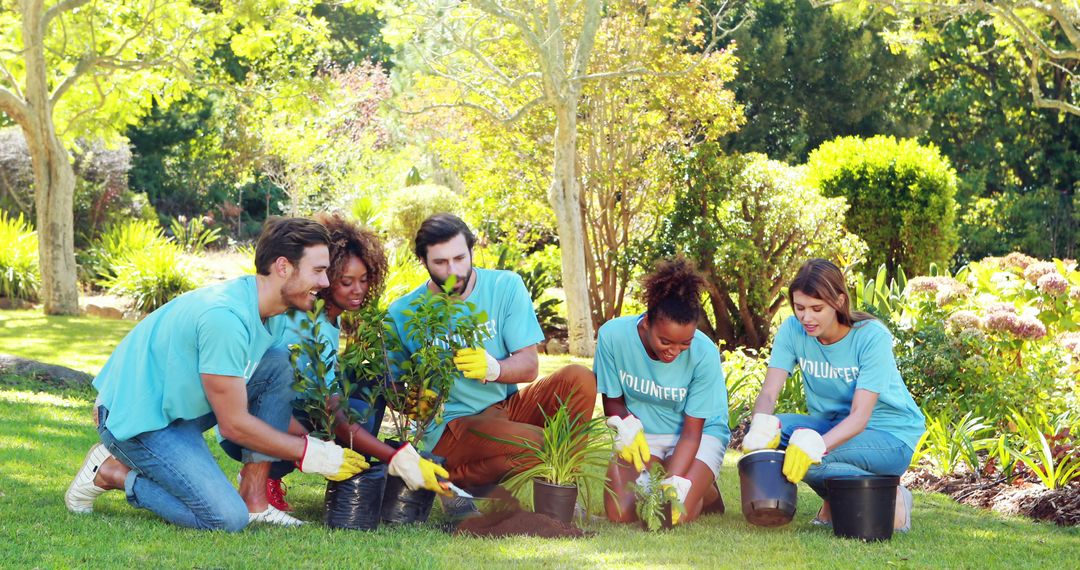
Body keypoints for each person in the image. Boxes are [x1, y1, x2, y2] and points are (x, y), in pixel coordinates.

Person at [64, 217, 369, 531]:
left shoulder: (272, 312)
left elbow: (269, 398)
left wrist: (314, 442)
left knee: (279, 363)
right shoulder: (225, 318)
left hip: (179, 410)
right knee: (225, 518)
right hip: (135, 419)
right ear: (282, 267)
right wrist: (313, 453)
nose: (325, 283)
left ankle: (255, 500)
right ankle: (113, 472)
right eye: (318, 271)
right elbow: (234, 424)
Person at [219, 212, 449, 516]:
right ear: (326, 281)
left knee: (369, 380)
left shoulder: (330, 320)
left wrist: (398, 397)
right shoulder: (299, 322)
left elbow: (336, 388)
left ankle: (301, 471)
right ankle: (262, 477)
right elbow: (331, 413)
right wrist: (394, 456)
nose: (358, 290)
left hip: (291, 412)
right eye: (346, 282)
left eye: (364, 280)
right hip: (256, 425)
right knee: (346, 413)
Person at [387, 213, 597, 498]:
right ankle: (448, 475)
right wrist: (423, 403)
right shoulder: (403, 313)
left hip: (505, 406)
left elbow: (529, 365)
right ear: (423, 262)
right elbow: (395, 389)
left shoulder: (504, 286)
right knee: (541, 445)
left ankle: (557, 488)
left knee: (579, 378)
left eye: (460, 258)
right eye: (440, 262)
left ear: (472, 251)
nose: (453, 270)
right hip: (453, 425)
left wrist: (493, 368)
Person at [742, 258, 925, 531]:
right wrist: (759, 426)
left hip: (890, 436)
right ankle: (836, 498)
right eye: (799, 308)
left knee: (807, 457)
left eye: (817, 308)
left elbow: (860, 417)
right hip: (835, 425)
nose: (806, 317)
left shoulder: (871, 337)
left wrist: (815, 446)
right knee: (775, 437)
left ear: (839, 301)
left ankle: (888, 495)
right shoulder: (793, 331)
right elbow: (769, 393)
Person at [599, 258, 729, 525]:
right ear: (647, 322)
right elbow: (612, 403)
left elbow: (692, 434)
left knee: (669, 513)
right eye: (666, 341)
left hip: (699, 434)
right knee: (620, 513)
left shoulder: (704, 353)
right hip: (644, 435)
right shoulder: (613, 337)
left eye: (684, 343)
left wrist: (673, 483)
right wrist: (626, 429)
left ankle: (704, 487)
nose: (674, 351)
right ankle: (695, 480)